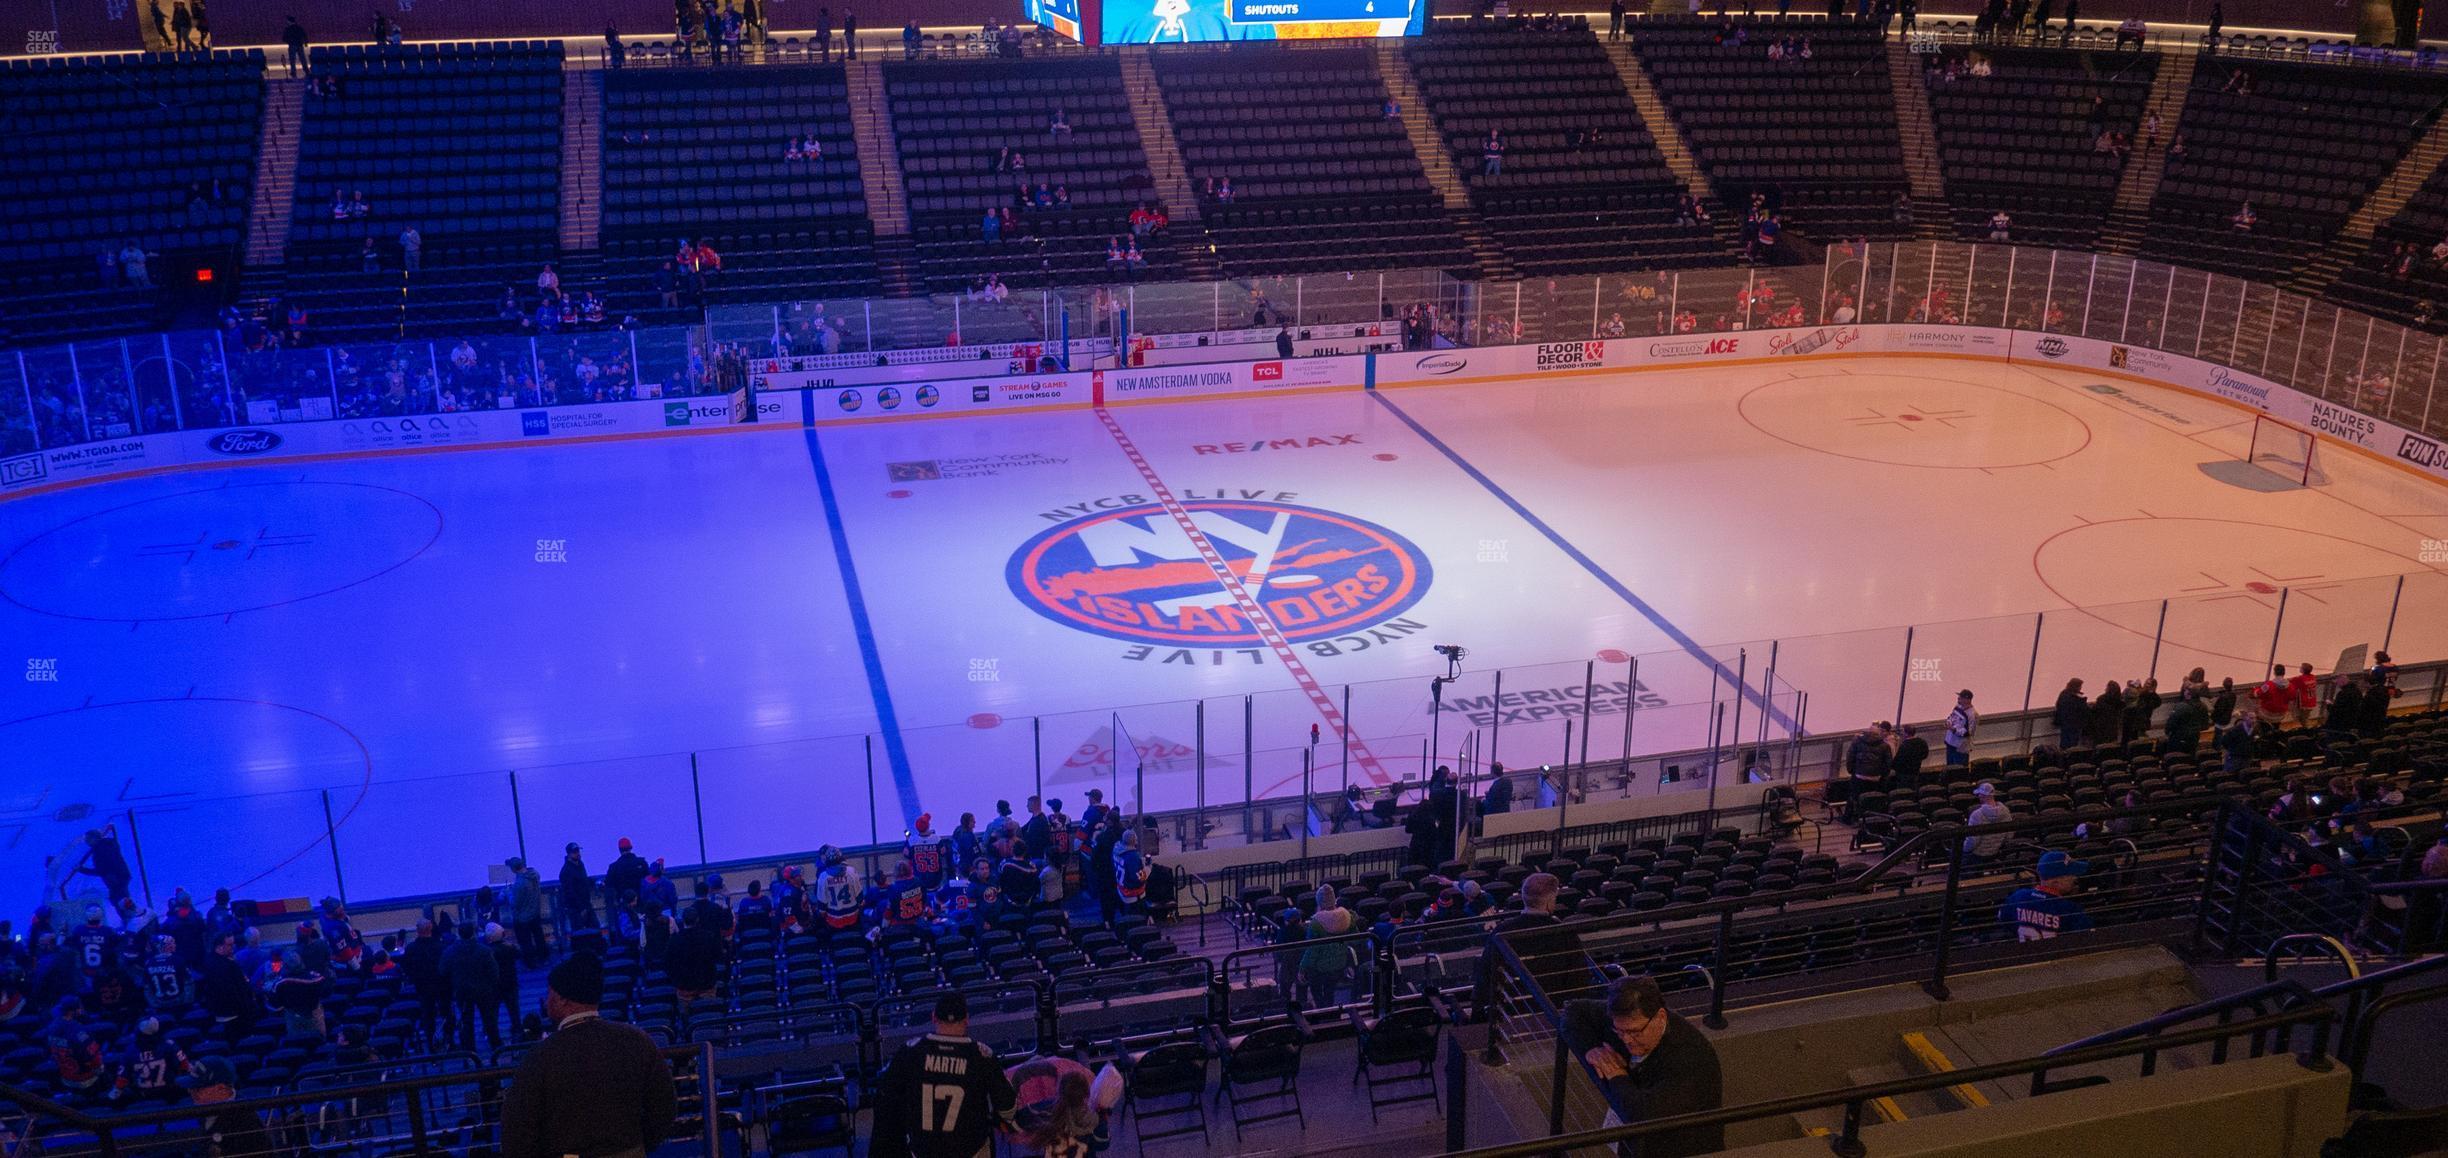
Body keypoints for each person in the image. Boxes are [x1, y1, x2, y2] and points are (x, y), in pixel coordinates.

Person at [502, 953, 677, 1158]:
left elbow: (518, 1128)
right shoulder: (636, 1040)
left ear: (561, 999)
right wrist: (637, 1144)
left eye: (549, 994)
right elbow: (664, 1105)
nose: (546, 1002)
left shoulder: (542, 1056)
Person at [1560, 976, 1724, 1158]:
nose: (1627, 1039)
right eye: (1619, 1031)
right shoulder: (1623, 1019)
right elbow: (1572, 1012)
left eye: (1634, 1032)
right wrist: (1592, 1049)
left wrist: (1616, 1076)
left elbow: (1643, 1115)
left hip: (1683, 1148)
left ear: (1660, 1017)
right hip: (1637, 1145)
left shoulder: (1691, 1058)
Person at [872, 993, 1017, 1158]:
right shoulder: (981, 1055)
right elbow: (1007, 1106)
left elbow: (886, 1100)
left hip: (923, 1150)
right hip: (970, 1150)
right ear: (966, 1019)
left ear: (933, 1017)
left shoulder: (910, 1051)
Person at [1999, 851, 2094, 940]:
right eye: (2070, 875)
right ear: (2055, 882)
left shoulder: (2018, 897)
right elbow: (2085, 940)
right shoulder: (2070, 909)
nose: (2075, 878)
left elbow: (2003, 921)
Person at [442, 921, 501, 1050]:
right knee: (489, 1020)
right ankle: (496, 1047)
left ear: (458, 933)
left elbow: (443, 971)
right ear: (474, 933)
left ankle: (469, 1051)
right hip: (483, 990)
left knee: (466, 1022)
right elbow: (494, 972)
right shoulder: (484, 950)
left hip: (462, 991)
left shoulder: (450, 951)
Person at [1300, 887, 1357, 1009]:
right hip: (1340, 964)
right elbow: (1357, 938)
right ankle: (1331, 1014)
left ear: (1319, 902)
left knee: (1316, 991)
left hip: (1320, 968)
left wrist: (1302, 968)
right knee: (1330, 991)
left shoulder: (1316, 923)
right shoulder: (1347, 917)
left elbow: (1312, 950)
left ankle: (1323, 1013)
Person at [508, 856, 547, 966]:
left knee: (525, 942)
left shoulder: (520, 884)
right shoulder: (534, 875)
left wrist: (509, 894)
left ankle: (530, 963)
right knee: (539, 937)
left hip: (522, 917)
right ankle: (543, 957)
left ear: (513, 869)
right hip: (535, 912)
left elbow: (515, 903)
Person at [1963, 782, 2012, 866]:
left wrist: (1963, 848)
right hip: (1996, 852)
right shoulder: (2006, 812)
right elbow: (2009, 835)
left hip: (1977, 855)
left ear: (1981, 795)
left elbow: (1973, 841)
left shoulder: (1976, 815)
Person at [1889, 724, 1929, 790]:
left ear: (1906, 734)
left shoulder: (1905, 746)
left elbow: (1898, 761)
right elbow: (1925, 755)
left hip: (1904, 773)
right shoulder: (1922, 742)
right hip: (1916, 770)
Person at [2051, 678, 2087, 750]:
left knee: (2065, 743)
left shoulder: (2064, 694)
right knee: (2071, 743)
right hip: (2073, 724)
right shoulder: (2074, 698)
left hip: (2066, 723)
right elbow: (2081, 709)